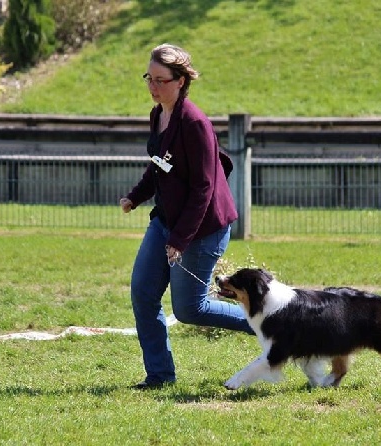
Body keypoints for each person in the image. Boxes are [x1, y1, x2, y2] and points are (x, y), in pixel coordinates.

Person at [120, 43, 254, 389]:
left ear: (180, 81)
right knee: (143, 293)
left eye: (161, 80)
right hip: (165, 222)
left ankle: (274, 319)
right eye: (149, 78)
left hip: (202, 229)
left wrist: (179, 241)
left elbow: (203, 190)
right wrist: (136, 197)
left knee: (190, 309)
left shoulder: (194, 123)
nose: (153, 86)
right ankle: (160, 376)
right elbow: (159, 166)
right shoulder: (158, 115)